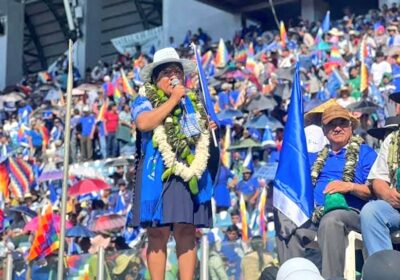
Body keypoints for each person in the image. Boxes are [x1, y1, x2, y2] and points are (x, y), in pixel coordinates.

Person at [131, 47, 219, 280]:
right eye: (167, 72)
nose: (174, 76)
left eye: (178, 71)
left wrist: (205, 129)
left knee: (187, 229)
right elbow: (144, 123)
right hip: (157, 172)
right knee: (157, 232)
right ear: (155, 78)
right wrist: (173, 99)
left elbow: (193, 135)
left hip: (189, 172)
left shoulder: (192, 102)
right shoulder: (143, 99)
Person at [275, 105, 377, 279]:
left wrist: (349, 186)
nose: (337, 128)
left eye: (342, 123)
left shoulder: (365, 153)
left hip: (352, 214)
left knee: (331, 220)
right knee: (288, 228)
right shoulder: (315, 158)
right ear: (324, 131)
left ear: (351, 126)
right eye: (331, 124)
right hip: (316, 215)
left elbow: (375, 191)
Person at [360, 109, 400, 255]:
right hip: (397, 208)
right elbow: (378, 179)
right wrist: (388, 194)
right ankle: (385, 272)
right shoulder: (393, 139)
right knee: (371, 211)